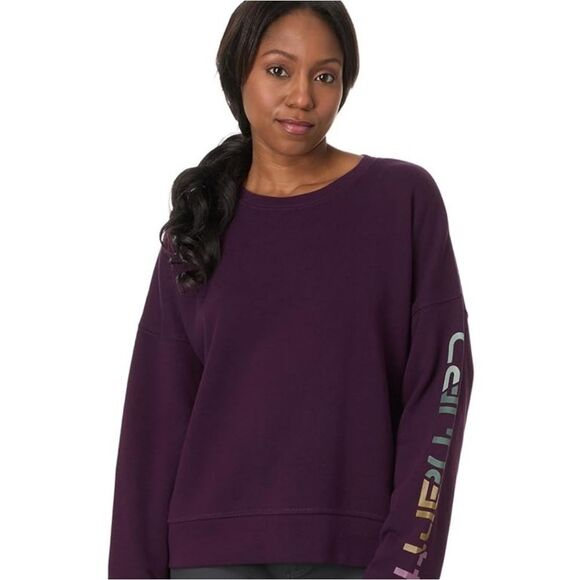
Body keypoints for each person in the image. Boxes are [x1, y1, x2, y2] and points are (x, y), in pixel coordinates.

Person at [107, 2, 474, 579]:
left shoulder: (401, 200)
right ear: (239, 73)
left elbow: (440, 388)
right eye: (279, 70)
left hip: (353, 556)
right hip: (205, 560)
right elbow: (152, 428)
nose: (302, 96)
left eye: (325, 76)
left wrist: (407, 558)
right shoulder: (198, 227)